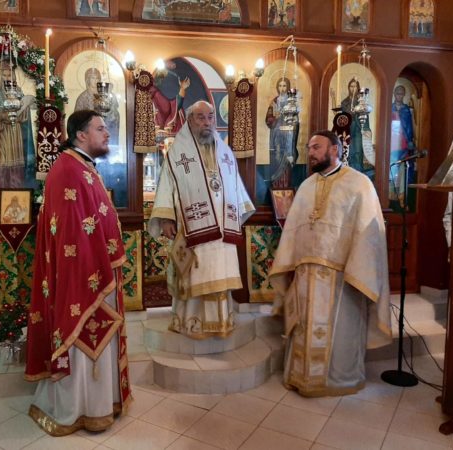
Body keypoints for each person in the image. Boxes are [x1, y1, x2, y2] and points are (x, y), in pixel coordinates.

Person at [25, 110, 131, 436]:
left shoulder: (82, 166)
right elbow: (70, 233)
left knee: (99, 337)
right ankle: (82, 408)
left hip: (96, 271)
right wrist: (91, 274)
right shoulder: (68, 170)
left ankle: (99, 404)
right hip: (84, 276)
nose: (107, 133)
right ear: (81, 134)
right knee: (83, 337)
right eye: (100, 128)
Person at [270, 130, 391, 397]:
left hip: (342, 277)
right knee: (304, 327)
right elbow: (293, 232)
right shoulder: (306, 186)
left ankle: (338, 381)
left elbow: (369, 233)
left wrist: (358, 267)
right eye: (309, 148)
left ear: (334, 149)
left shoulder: (359, 184)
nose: (311, 153)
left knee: (340, 331)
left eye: (316, 147)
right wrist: (290, 266)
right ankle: (301, 377)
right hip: (305, 274)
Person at [148, 101, 255, 339]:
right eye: (200, 117)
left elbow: (235, 184)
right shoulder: (178, 151)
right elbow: (166, 185)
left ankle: (221, 323)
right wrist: (166, 218)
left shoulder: (225, 151)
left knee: (219, 271)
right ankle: (191, 323)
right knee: (196, 272)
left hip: (223, 229)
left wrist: (238, 212)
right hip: (192, 226)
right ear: (189, 120)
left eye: (210, 117)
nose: (207, 122)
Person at [0, 60, 36, 199]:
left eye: (10, 75)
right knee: (3, 163)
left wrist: (24, 108)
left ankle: (19, 195)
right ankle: (1, 196)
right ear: (0, 76)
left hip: (16, 133)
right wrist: (2, 116)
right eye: (4, 75)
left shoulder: (19, 93)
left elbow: (25, 118)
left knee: (17, 163)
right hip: (2, 135)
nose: (7, 78)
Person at [74, 68, 120, 146]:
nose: (95, 81)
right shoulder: (83, 97)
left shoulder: (109, 95)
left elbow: (115, 111)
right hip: (89, 135)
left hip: (106, 130)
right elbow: (76, 118)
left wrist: (109, 114)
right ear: (88, 80)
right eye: (93, 78)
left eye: (97, 78)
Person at [266, 77, 298, 185]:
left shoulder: (292, 101)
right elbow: (268, 119)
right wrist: (275, 117)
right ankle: (276, 185)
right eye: (280, 86)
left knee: (287, 156)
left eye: (284, 86)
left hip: (288, 133)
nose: (282, 88)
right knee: (277, 156)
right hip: (276, 133)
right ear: (277, 87)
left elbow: (296, 119)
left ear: (288, 87)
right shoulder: (274, 102)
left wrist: (291, 121)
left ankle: (286, 184)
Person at [389, 84, 416, 204]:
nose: (399, 96)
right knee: (391, 168)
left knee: (403, 169)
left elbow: (410, 126)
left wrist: (411, 140)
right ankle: (390, 196)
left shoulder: (406, 110)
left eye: (401, 94)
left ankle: (402, 197)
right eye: (397, 93)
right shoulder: (389, 108)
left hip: (404, 142)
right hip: (392, 143)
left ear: (404, 95)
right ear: (394, 94)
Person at [340, 77, 370, 173]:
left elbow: (366, 117)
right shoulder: (344, 103)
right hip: (348, 130)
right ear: (348, 88)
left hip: (358, 130)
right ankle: (349, 173)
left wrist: (367, 130)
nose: (353, 88)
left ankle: (358, 173)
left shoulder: (362, 102)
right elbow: (342, 117)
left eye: (355, 86)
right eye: (351, 86)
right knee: (349, 153)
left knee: (358, 152)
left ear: (358, 88)